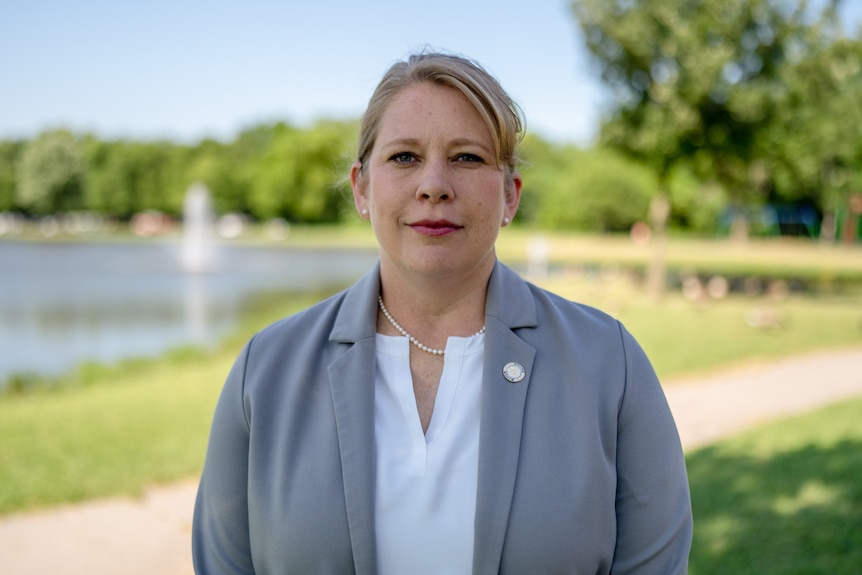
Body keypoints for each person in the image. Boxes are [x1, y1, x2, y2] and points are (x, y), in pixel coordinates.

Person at [192, 50, 692, 574]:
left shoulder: (609, 364)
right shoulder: (264, 370)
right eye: (405, 157)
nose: (434, 185)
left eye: (467, 158)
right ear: (362, 188)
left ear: (510, 196)